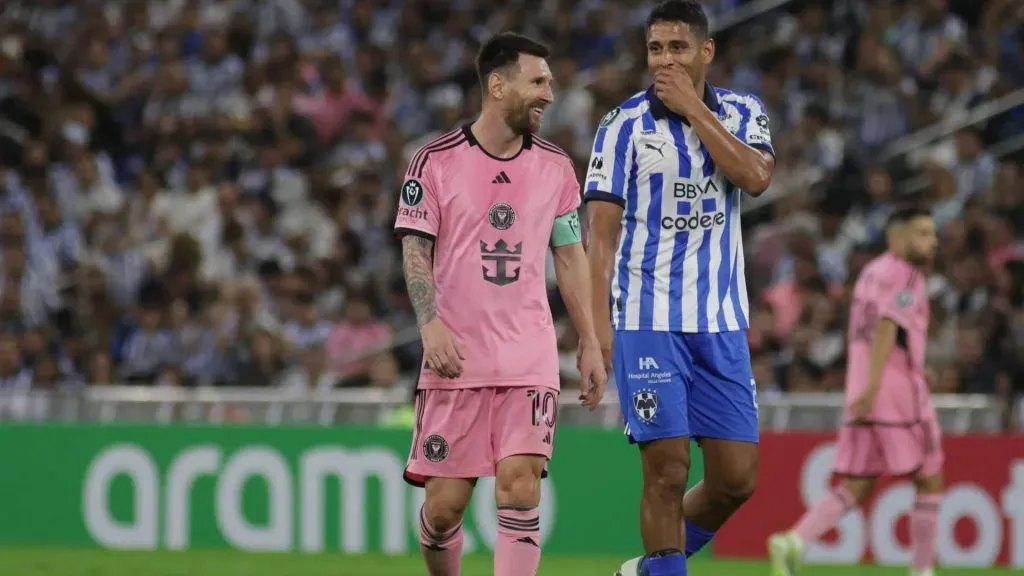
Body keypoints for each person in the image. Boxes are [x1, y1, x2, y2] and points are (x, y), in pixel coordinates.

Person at [393, 32, 608, 576]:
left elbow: (570, 257)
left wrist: (588, 340)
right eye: (538, 82)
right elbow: (415, 252)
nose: (549, 95)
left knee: (519, 487)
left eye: (550, 83)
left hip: (527, 358)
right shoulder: (434, 161)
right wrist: (429, 324)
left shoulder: (557, 167)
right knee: (443, 512)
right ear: (497, 84)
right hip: (455, 358)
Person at [583, 1, 776, 574]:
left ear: (706, 51)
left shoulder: (743, 112)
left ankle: (645, 570)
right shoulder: (621, 127)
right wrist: (597, 333)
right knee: (666, 471)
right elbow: (599, 238)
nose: (665, 60)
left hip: (719, 324)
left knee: (736, 481)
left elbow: (757, 177)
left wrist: (693, 109)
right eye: (655, 49)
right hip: (647, 321)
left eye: (677, 48)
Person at [768, 207, 942, 576]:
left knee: (859, 483)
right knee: (930, 476)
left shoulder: (870, 273)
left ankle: (794, 540)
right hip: (895, 395)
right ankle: (923, 570)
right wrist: (880, 385)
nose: (933, 241)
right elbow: (886, 328)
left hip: (862, 389)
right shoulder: (907, 276)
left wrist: (869, 386)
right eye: (923, 233)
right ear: (898, 237)